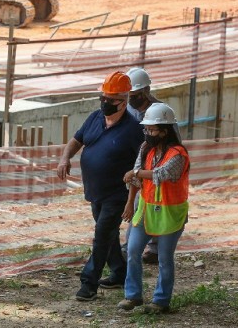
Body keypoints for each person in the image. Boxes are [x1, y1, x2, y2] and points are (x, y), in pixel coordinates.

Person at [56, 71, 144, 301]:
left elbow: (142, 162)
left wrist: (134, 193)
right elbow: (77, 140)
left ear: (123, 102)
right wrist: (65, 158)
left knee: (102, 234)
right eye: (103, 98)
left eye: (110, 99)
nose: (104, 103)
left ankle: (89, 283)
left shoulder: (134, 130)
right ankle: (119, 272)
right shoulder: (95, 117)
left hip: (117, 194)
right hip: (95, 192)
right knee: (108, 235)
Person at [118, 103, 190, 314]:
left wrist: (135, 173)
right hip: (145, 208)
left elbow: (160, 174)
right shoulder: (145, 148)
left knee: (164, 258)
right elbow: (137, 177)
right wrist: (130, 202)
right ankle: (133, 296)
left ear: (165, 131)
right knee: (132, 251)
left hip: (170, 213)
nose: (148, 133)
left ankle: (161, 300)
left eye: (152, 130)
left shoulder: (179, 154)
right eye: (146, 129)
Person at [124, 67, 162, 264]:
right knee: (136, 205)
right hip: (134, 164)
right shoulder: (129, 110)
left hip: (153, 168)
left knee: (152, 205)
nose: (132, 99)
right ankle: (130, 246)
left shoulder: (160, 112)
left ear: (146, 91)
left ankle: (153, 249)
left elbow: (173, 142)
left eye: (135, 95)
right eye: (129, 95)